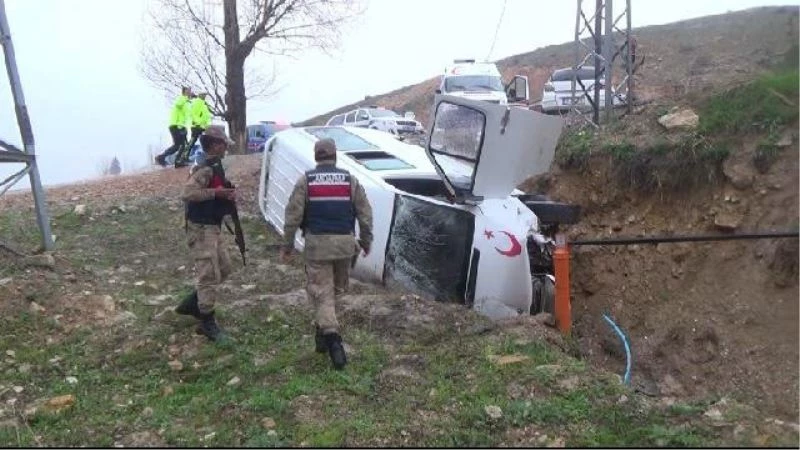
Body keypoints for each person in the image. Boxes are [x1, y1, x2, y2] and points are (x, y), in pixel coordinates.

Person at [280, 138, 373, 370]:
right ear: (335, 155)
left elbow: (292, 216)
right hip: (344, 246)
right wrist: (366, 241)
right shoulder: (350, 180)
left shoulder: (306, 181)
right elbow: (365, 214)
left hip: (317, 246)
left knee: (322, 295)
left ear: (316, 156)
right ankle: (322, 336)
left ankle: (333, 342)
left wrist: (287, 244)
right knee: (335, 292)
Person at [173, 124, 236, 342]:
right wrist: (216, 193)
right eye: (224, 144)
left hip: (213, 226)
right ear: (215, 145)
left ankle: (194, 303)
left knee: (225, 267)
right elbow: (188, 193)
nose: (226, 148)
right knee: (208, 275)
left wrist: (224, 194)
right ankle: (207, 322)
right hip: (201, 229)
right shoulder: (204, 168)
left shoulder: (214, 165)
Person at [155, 86, 192, 167]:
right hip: (176, 126)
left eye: (190, 91)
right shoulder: (181, 99)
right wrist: (186, 98)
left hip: (180, 126)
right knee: (181, 145)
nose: (190, 93)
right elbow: (179, 105)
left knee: (179, 145)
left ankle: (163, 158)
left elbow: (185, 114)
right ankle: (177, 161)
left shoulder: (186, 102)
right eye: (188, 91)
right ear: (184, 92)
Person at [177, 92, 212, 167]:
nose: (205, 97)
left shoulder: (203, 104)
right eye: (203, 95)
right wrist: (198, 122)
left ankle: (207, 156)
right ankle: (183, 158)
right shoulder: (197, 103)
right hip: (197, 126)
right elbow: (193, 114)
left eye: (205, 95)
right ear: (200, 96)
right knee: (192, 142)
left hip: (203, 126)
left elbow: (206, 116)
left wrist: (207, 124)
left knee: (206, 141)